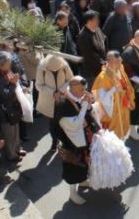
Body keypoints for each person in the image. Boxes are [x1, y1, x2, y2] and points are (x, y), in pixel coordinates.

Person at [55, 76, 100, 205]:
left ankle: (82, 180)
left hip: (84, 138)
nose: (84, 92)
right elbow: (75, 125)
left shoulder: (79, 97)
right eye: (82, 89)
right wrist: (85, 105)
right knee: (73, 166)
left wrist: (89, 104)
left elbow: (87, 114)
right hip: (71, 142)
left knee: (85, 162)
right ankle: (72, 193)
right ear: (73, 88)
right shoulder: (64, 104)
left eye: (85, 89)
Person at [0, 51, 23, 162]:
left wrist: (18, 86)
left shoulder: (7, 71)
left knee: (16, 129)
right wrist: (13, 83)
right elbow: (5, 95)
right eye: (8, 63)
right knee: (8, 133)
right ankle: (11, 155)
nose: (10, 65)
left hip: (13, 107)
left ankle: (17, 148)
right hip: (3, 110)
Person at [91, 51, 135, 141]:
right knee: (114, 129)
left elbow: (127, 84)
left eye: (120, 61)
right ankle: (115, 148)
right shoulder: (103, 77)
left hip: (123, 103)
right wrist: (113, 90)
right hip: (113, 108)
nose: (119, 64)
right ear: (109, 61)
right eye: (116, 62)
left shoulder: (120, 69)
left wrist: (130, 98)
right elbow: (100, 98)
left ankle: (121, 143)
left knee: (123, 124)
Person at [36, 54, 73, 150]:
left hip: (63, 98)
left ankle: (64, 141)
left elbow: (70, 80)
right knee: (52, 124)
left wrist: (61, 91)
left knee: (64, 122)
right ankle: (54, 140)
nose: (55, 71)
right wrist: (52, 93)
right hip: (48, 101)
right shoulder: (41, 67)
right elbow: (38, 85)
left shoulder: (64, 65)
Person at [76, 10, 107, 85]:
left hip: (102, 68)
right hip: (92, 72)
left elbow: (104, 41)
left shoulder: (97, 29)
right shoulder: (83, 36)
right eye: (96, 19)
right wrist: (103, 63)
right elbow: (89, 55)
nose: (98, 21)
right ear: (89, 21)